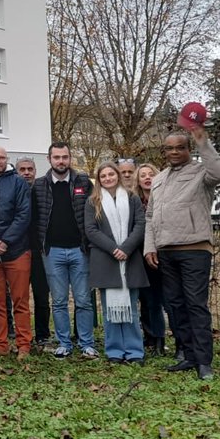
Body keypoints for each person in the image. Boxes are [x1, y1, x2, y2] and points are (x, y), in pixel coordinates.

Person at [144, 126, 220, 381]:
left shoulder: (201, 172)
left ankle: (204, 362)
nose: (174, 152)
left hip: (194, 249)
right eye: (169, 148)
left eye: (180, 147)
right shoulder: (159, 179)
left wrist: (203, 141)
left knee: (195, 305)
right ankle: (188, 354)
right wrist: (150, 245)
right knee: (175, 306)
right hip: (165, 251)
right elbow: (150, 216)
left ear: (188, 149)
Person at [33, 143, 95, 359]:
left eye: (65, 157)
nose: (61, 161)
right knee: (58, 301)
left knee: (83, 300)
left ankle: (86, 343)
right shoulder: (39, 185)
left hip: (80, 250)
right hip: (52, 252)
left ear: (70, 158)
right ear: (49, 159)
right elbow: (35, 218)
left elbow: (95, 211)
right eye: (57, 157)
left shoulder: (84, 183)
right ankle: (64, 343)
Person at [84, 163, 148, 363]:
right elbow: (91, 230)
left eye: (111, 174)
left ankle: (134, 350)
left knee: (131, 307)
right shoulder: (92, 201)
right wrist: (113, 249)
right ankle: (114, 351)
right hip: (106, 259)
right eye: (103, 176)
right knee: (109, 309)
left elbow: (140, 224)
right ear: (99, 179)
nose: (108, 178)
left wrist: (126, 248)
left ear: (118, 176)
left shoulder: (132, 198)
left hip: (130, 259)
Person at [0, 147, 32, 359]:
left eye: (2, 157)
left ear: (7, 160)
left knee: (20, 301)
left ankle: (24, 344)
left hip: (16, 250)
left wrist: (5, 241)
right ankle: (0, 344)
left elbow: (24, 214)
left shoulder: (18, 182)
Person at [15, 157, 53, 345]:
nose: (26, 172)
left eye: (30, 169)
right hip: (17, 251)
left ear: (35, 171)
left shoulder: (41, 190)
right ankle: (20, 335)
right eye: (22, 169)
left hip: (39, 251)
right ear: (16, 171)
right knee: (19, 297)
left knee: (41, 295)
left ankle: (42, 335)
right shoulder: (12, 190)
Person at [134, 163, 168, 357]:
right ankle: (150, 337)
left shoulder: (164, 199)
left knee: (160, 300)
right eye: (143, 175)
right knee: (147, 299)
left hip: (163, 253)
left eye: (151, 174)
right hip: (141, 255)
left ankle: (160, 339)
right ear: (138, 181)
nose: (147, 178)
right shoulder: (134, 202)